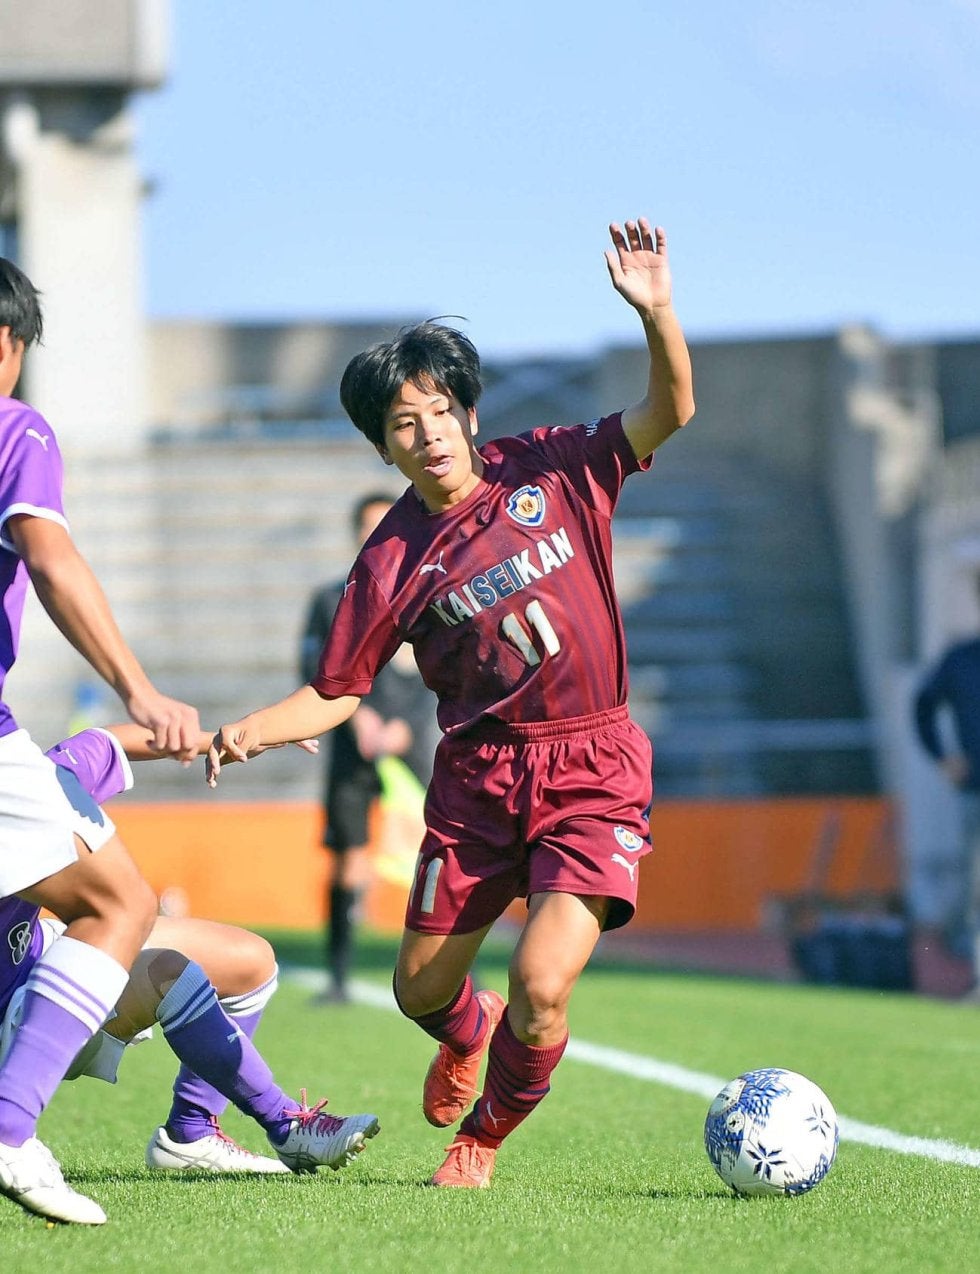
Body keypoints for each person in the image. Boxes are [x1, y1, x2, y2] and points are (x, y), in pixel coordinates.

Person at [207, 218, 695, 1188]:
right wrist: (246, 732)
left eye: (436, 409)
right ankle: (464, 1033)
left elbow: (669, 408)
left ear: (468, 413)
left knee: (542, 984)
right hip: (477, 778)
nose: (425, 432)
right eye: (400, 421)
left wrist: (656, 311)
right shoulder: (389, 557)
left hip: (590, 762)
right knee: (419, 986)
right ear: (381, 447)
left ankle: (481, 1136)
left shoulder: (553, 467)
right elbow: (333, 690)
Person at [0, 258, 201, 1223]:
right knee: (117, 902)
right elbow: (49, 551)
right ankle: (8, 1126)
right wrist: (138, 685)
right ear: (12, 343)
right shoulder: (17, 427)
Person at [0, 723, 380, 1225]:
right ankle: (287, 1125)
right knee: (168, 972)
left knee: (248, 961)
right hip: (17, 1009)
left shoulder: (33, 777)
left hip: (29, 956)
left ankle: (192, 1132)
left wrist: (236, 738)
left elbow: (112, 741)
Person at [299, 492, 436, 1004]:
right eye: (368, 527)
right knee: (348, 860)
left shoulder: (428, 589)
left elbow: (441, 673)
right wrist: (354, 716)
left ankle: (455, 967)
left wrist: (406, 723)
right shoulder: (329, 598)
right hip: (350, 748)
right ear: (356, 533)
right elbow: (311, 670)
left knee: (437, 856)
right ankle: (338, 977)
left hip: (411, 747)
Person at [913, 578, 980, 989]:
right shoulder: (961, 659)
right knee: (973, 882)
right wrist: (943, 757)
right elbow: (921, 708)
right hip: (976, 789)